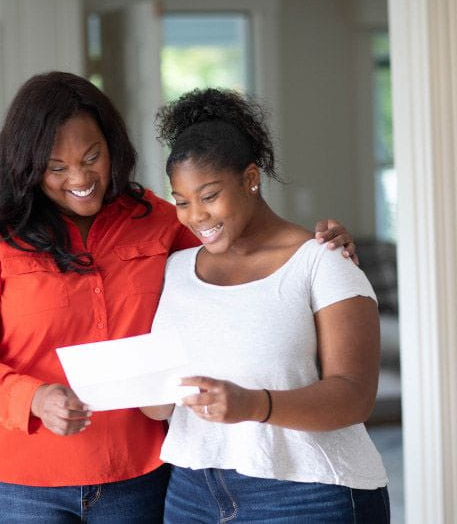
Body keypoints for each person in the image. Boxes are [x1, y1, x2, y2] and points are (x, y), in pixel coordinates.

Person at [0, 71, 358, 522]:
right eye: (56, 168)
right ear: (27, 164)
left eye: (92, 157)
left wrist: (313, 247)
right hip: (11, 485)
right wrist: (33, 400)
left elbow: (237, 256)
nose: (80, 178)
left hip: (136, 478)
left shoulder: (158, 218)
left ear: (114, 147)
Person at [142, 88, 390, 523]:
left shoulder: (323, 261)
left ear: (250, 179)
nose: (196, 215)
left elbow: (355, 396)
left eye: (210, 195)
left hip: (309, 494)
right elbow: (159, 397)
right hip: (192, 494)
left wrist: (254, 405)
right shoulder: (175, 269)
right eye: (182, 201)